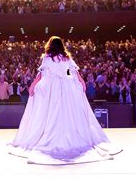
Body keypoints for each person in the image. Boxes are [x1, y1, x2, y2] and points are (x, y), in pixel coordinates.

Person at [8, 36, 121, 165]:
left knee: (50, 112)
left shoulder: (47, 58)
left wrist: (33, 85)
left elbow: (42, 75)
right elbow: (72, 74)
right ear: (61, 46)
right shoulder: (67, 58)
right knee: (67, 112)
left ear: (50, 45)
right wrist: (81, 83)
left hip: (52, 87)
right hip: (66, 87)